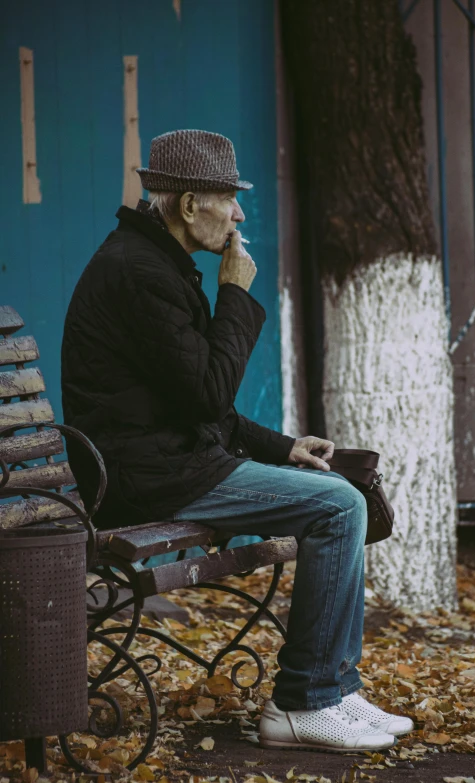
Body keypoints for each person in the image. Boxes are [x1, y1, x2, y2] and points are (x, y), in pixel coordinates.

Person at [61, 129, 413, 753]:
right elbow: (206, 395)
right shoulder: (139, 272)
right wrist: (234, 292)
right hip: (145, 475)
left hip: (167, 459)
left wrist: (283, 448)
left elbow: (195, 398)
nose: (241, 213)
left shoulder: (155, 263)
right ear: (190, 203)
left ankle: (334, 685)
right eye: (229, 198)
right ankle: (303, 702)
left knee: (338, 488)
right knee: (340, 506)